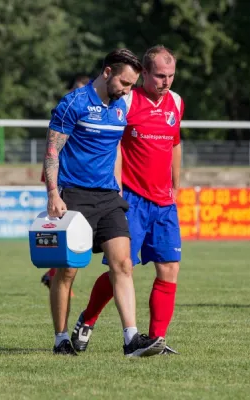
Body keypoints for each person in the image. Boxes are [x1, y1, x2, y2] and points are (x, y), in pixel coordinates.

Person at [44, 48, 165, 357]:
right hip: (74, 196)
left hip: (109, 198)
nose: (127, 91)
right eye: (124, 83)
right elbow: (52, 151)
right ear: (107, 73)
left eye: (131, 85)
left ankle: (131, 340)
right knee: (67, 272)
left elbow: (116, 151)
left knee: (123, 264)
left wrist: (120, 187)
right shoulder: (73, 103)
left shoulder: (122, 106)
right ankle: (60, 340)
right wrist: (53, 194)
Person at [70, 45, 183, 354]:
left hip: (164, 203)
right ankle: (88, 318)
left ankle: (156, 339)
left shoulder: (176, 102)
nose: (166, 82)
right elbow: (112, 143)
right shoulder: (127, 101)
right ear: (144, 73)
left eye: (171, 76)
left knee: (169, 268)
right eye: (160, 75)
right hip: (132, 199)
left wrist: (176, 185)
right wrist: (117, 187)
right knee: (123, 268)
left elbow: (174, 143)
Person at [40, 75, 90, 291]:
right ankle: (55, 275)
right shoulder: (66, 110)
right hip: (65, 184)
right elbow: (53, 149)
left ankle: (54, 274)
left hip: (88, 184)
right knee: (63, 232)